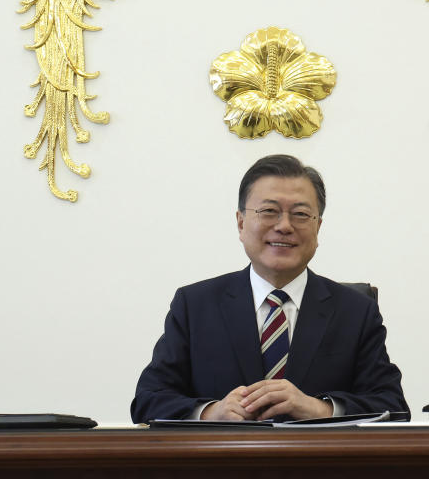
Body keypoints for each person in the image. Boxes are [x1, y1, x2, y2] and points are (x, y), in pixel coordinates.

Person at [130, 154, 408, 422]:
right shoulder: (195, 305)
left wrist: (319, 408)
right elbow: (147, 400)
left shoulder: (355, 311)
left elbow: (393, 407)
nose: (284, 226)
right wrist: (212, 412)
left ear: (318, 227)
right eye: (269, 211)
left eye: (300, 214)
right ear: (240, 222)